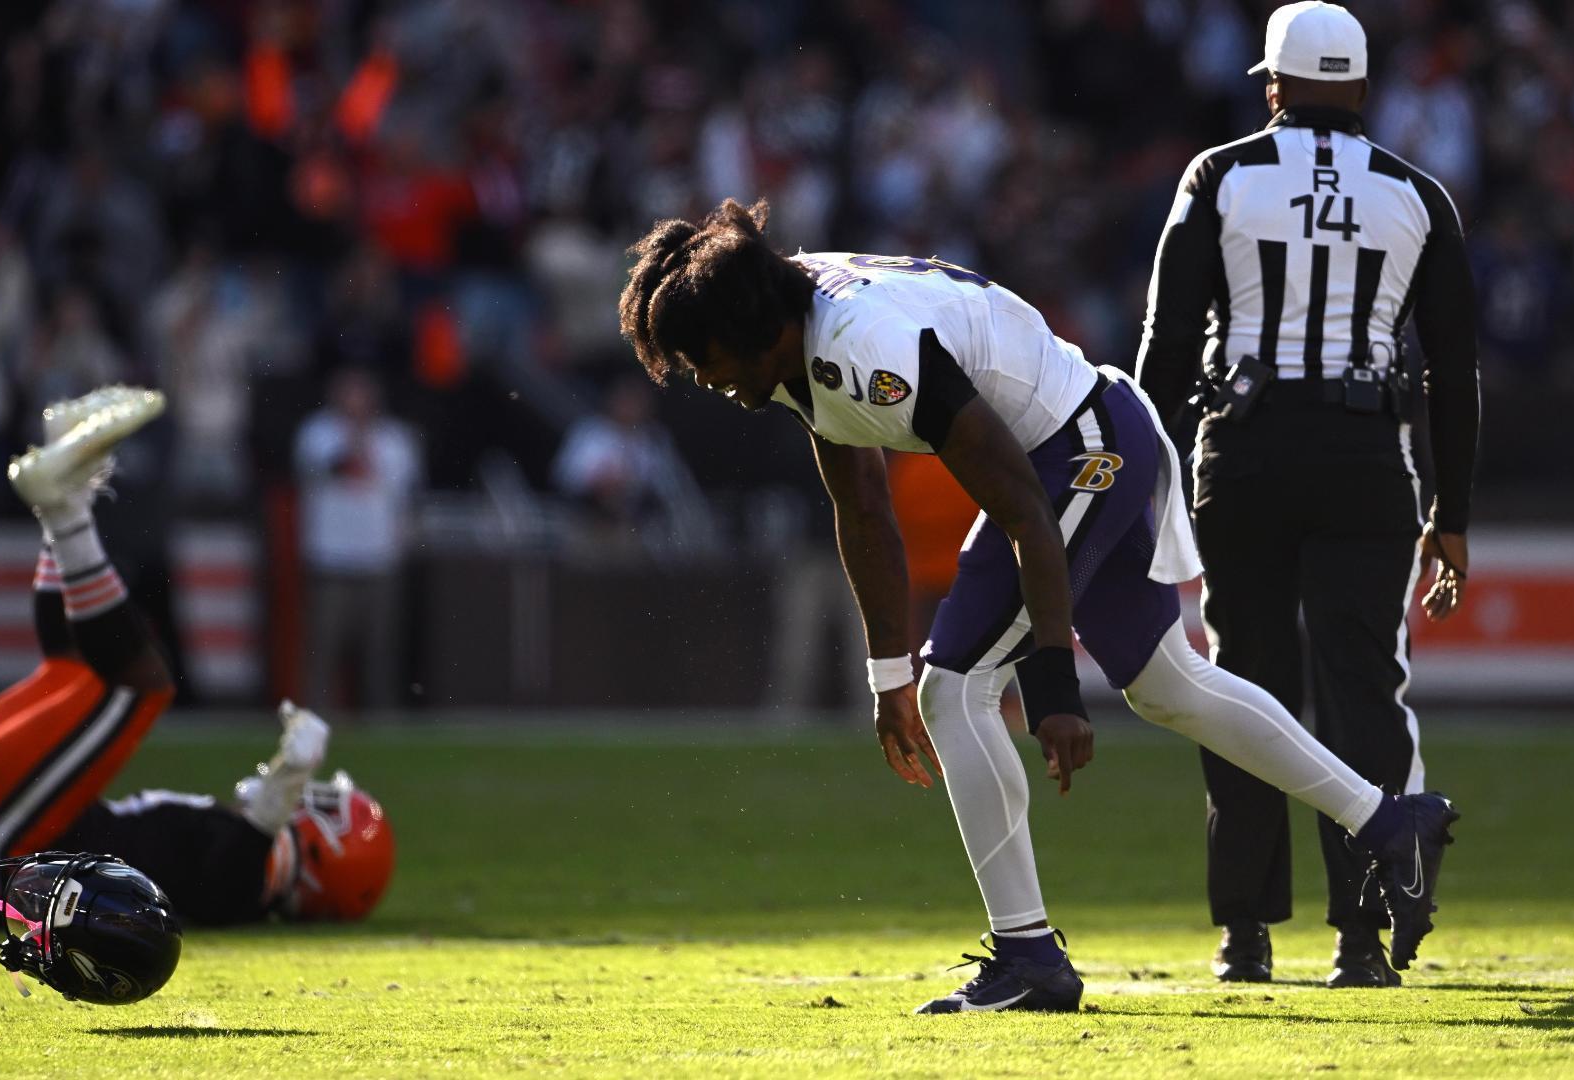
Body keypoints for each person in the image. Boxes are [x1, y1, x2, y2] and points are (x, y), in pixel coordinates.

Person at [617, 198, 1460, 1015]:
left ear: (750, 328)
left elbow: (1022, 504)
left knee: (957, 688)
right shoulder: (789, 324)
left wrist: (1054, 683)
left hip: (1080, 450)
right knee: (1171, 685)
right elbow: (862, 508)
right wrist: (885, 672)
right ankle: (1388, 821)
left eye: (705, 358)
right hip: (1077, 440)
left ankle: (1027, 955)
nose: (705, 379)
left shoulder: (863, 348)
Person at [1134, 2, 1480, 989]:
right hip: (1368, 458)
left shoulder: (1220, 174)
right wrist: (1451, 518)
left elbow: (1164, 347)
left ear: (1272, 87)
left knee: (1242, 684)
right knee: (1363, 688)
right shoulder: (1419, 195)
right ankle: (1362, 936)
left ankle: (1245, 933)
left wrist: (1140, 485)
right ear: (1363, 91)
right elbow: (1454, 371)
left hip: (1240, 451)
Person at [0, 386, 394, 927]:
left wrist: (282, 792)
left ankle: (66, 508)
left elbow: (233, 883)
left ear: (326, 861)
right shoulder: (231, 862)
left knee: (143, 687)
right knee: (72, 669)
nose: (305, 802)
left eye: (322, 809)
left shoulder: (245, 884)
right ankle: (67, 500)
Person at [294, 367, 423, 711]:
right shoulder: (317, 432)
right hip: (331, 556)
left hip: (379, 557)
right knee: (324, 647)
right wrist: (356, 433)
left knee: (381, 649)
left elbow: (403, 492)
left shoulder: (395, 439)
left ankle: (381, 717)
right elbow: (337, 464)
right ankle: (316, 716)